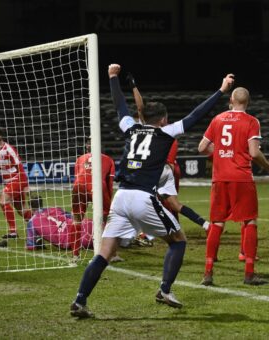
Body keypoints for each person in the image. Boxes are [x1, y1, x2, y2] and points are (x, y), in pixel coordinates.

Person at [69, 64, 234, 319]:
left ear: (143, 117)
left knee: (104, 252)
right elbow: (197, 115)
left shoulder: (131, 128)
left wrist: (113, 78)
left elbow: (120, 106)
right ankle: (165, 290)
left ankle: (80, 300)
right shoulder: (166, 132)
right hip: (143, 196)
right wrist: (221, 91)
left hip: (121, 196)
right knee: (178, 241)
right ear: (164, 119)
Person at [198, 87, 269, 287]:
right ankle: (249, 273)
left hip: (219, 178)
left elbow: (202, 147)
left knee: (217, 223)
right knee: (249, 221)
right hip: (241, 178)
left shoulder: (218, 119)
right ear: (249, 101)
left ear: (231, 99)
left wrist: (221, 154)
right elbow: (254, 153)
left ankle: (208, 273)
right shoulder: (252, 121)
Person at [127, 72, 210, 234]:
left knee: (139, 200)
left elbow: (139, 106)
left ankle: (144, 233)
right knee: (174, 205)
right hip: (167, 171)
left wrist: (133, 86)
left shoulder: (147, 127)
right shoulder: (169, 132)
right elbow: (194, 116)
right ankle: (206, 225)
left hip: (158, 169)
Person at [71, 138, 116, 258]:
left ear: (87, 147)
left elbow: (76, 177)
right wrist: (108, 203)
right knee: (106, 219)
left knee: (77, 219)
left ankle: (75, 255)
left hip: (78, 185)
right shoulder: (108, 159)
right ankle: (109, 253)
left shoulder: (80, 159)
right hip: (97, 186)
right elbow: (109, 183)